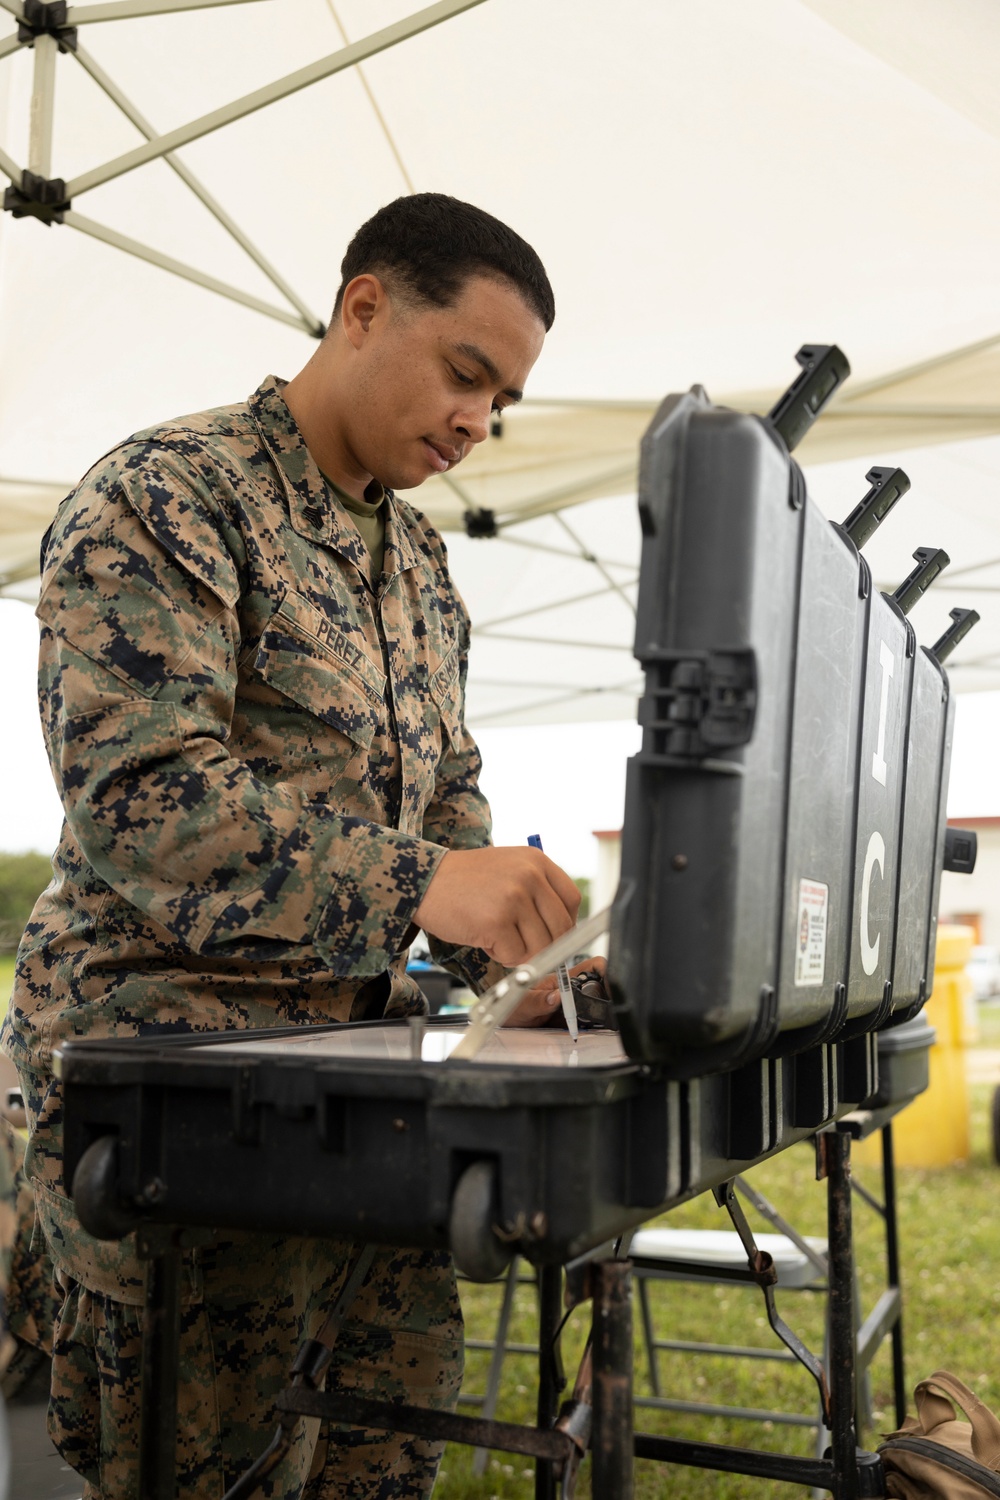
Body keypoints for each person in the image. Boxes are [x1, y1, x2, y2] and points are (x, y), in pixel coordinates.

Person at [1, 192, 596, 1497]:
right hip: (175, 1105)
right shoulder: (167, 498)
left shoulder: (422, 565)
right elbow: (142, 804)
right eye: (465, 375)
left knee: (383, 1461)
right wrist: (426, 882)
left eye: (502, 402)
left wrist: (506, 940)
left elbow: (449, 789)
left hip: (365, 1108)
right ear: (363, 307)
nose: (476, 424)